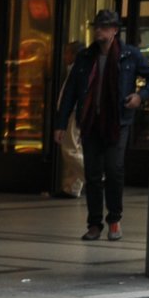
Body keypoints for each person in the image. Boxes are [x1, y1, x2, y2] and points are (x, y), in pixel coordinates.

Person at [54, 9, 149, 241]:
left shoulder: (129, 55)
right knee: (92, 174)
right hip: (91, 121)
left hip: (117, 122)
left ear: (114, 30)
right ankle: (94, 224)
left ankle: (114, 219)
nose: (98, 31)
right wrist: (61, 124)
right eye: (96, 27)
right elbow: (70, 92)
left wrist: (140, 96)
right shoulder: (85, 57)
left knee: (114, 170)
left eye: (103, 27)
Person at [54, 41, 86, 199]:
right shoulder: (74, 69)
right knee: (76, 149)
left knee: (70, 150)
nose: (65, 56)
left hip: (73, 113)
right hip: (73, 112)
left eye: (67, 53)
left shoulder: (78, 70)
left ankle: (96, 179)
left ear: (74, 54)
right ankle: (72, 187)